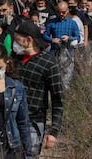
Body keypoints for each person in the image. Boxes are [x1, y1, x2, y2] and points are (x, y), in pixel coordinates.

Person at [12, 22, 63, 157]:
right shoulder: (13, 60)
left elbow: (58, 98)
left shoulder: (48, 63)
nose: (14, 44)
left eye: (17, 40)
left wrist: (54, 131)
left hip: (33, 122)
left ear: (29, 40)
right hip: (11, 120)